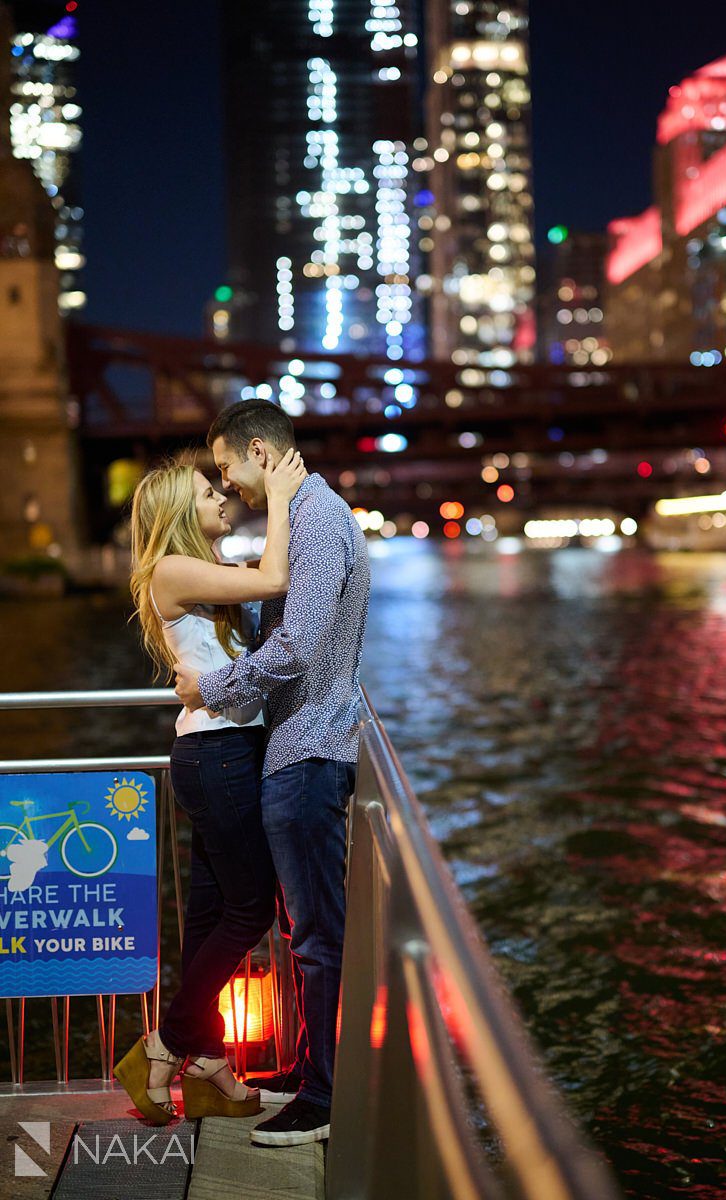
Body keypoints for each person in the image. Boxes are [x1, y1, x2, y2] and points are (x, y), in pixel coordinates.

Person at [174, 399, 370, 1148]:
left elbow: (299, 647)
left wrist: (210, 689)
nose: (229, 484)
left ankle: (322, 1097)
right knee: (304, 931)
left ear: (259, 450)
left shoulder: (317, 520)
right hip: (297, 746)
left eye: (227, 467)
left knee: (317, 936)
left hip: (310, 750)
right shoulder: (309, 513)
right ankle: (306, 1069)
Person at [113, 447, 307, 1125]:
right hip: (218, 756)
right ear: (177, 514)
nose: (222, 498)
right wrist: (282, 496)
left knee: (208, 918)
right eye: (206, 493)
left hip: (225, 751)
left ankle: (205, 1062)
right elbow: (276, 575)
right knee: (250, 912)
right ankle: (166, 1045)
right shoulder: (171, 569)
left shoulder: (204, 570)